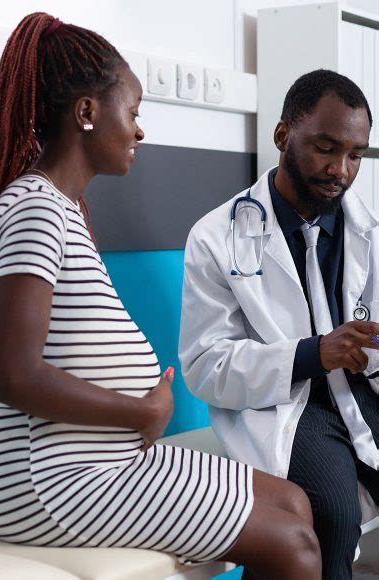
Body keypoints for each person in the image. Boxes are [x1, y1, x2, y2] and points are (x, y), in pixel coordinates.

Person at [0, 13, 321, 578]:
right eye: (133, 113)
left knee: (293, 502)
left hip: (94, 460)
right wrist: (141, 410)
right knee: (293, 545)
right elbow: (13, 376)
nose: (139, 131)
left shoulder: (55, 209)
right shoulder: (35, 211)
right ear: (86, 113)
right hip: (48, 480)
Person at [179, 69, 379, 579]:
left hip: (364, 390)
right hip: (285, 402)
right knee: (333, 515)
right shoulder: (215, 238)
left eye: (355, 155)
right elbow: (205, 367)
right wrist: (313, 353)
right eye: (326, 148)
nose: (340, 170)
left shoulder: (369, 230)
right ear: (283, 135)